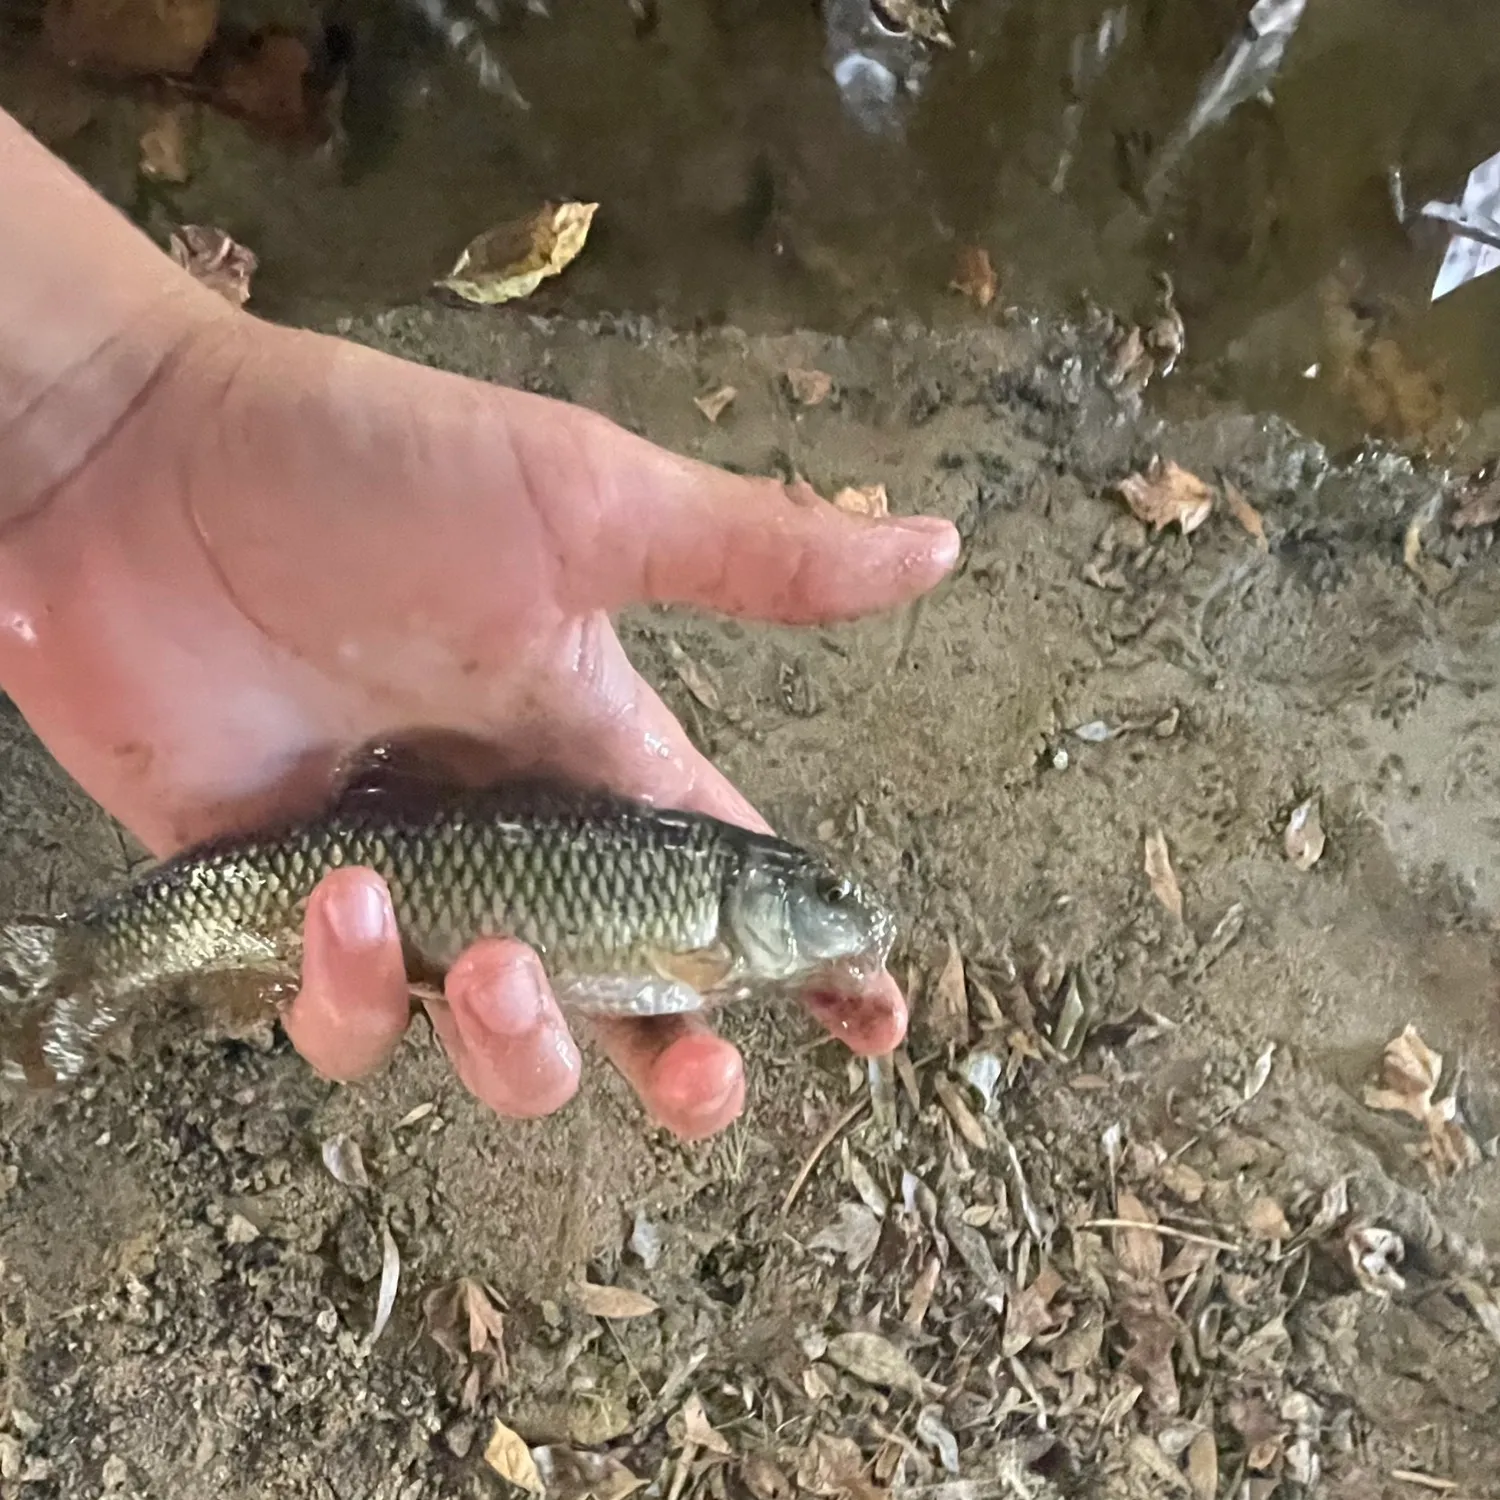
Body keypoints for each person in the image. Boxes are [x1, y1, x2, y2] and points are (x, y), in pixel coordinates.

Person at [0, 104, 960, 1140]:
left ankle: (75, 972)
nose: (838, 915)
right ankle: (76, 966)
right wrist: (116, 407)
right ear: (763, 892)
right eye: (814, 891)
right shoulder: (700, 930)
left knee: (363, 952)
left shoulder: (707, 910)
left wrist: (119, 404)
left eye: (824, 893)